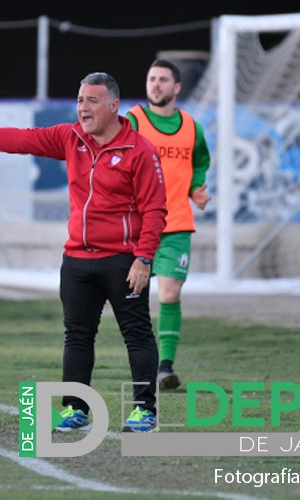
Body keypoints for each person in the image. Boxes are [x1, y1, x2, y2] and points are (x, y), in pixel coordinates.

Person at [0, 72, 167, 432]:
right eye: (79, 99)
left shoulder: (139, 150)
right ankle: (76, 410)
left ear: (113, 106)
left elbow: (155, 210)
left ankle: (144, 412)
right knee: (77, 335)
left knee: (136, 335)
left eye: (91, 100)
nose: (83, 108)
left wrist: (144, 257)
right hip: (77, 261)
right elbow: (23, 139)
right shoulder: (70, 138)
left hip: (123, 261)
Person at [126, 59, 211, 390]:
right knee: (132, 298)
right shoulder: (133, 121)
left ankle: (164, 367)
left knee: (171, 292)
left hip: (175, 224)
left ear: (177, 88)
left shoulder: (192, 127)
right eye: (151, 79)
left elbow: (200, 160)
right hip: (136, 226)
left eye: (163, 80)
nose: (156, 85)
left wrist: (196, 189)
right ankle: (141, 362)